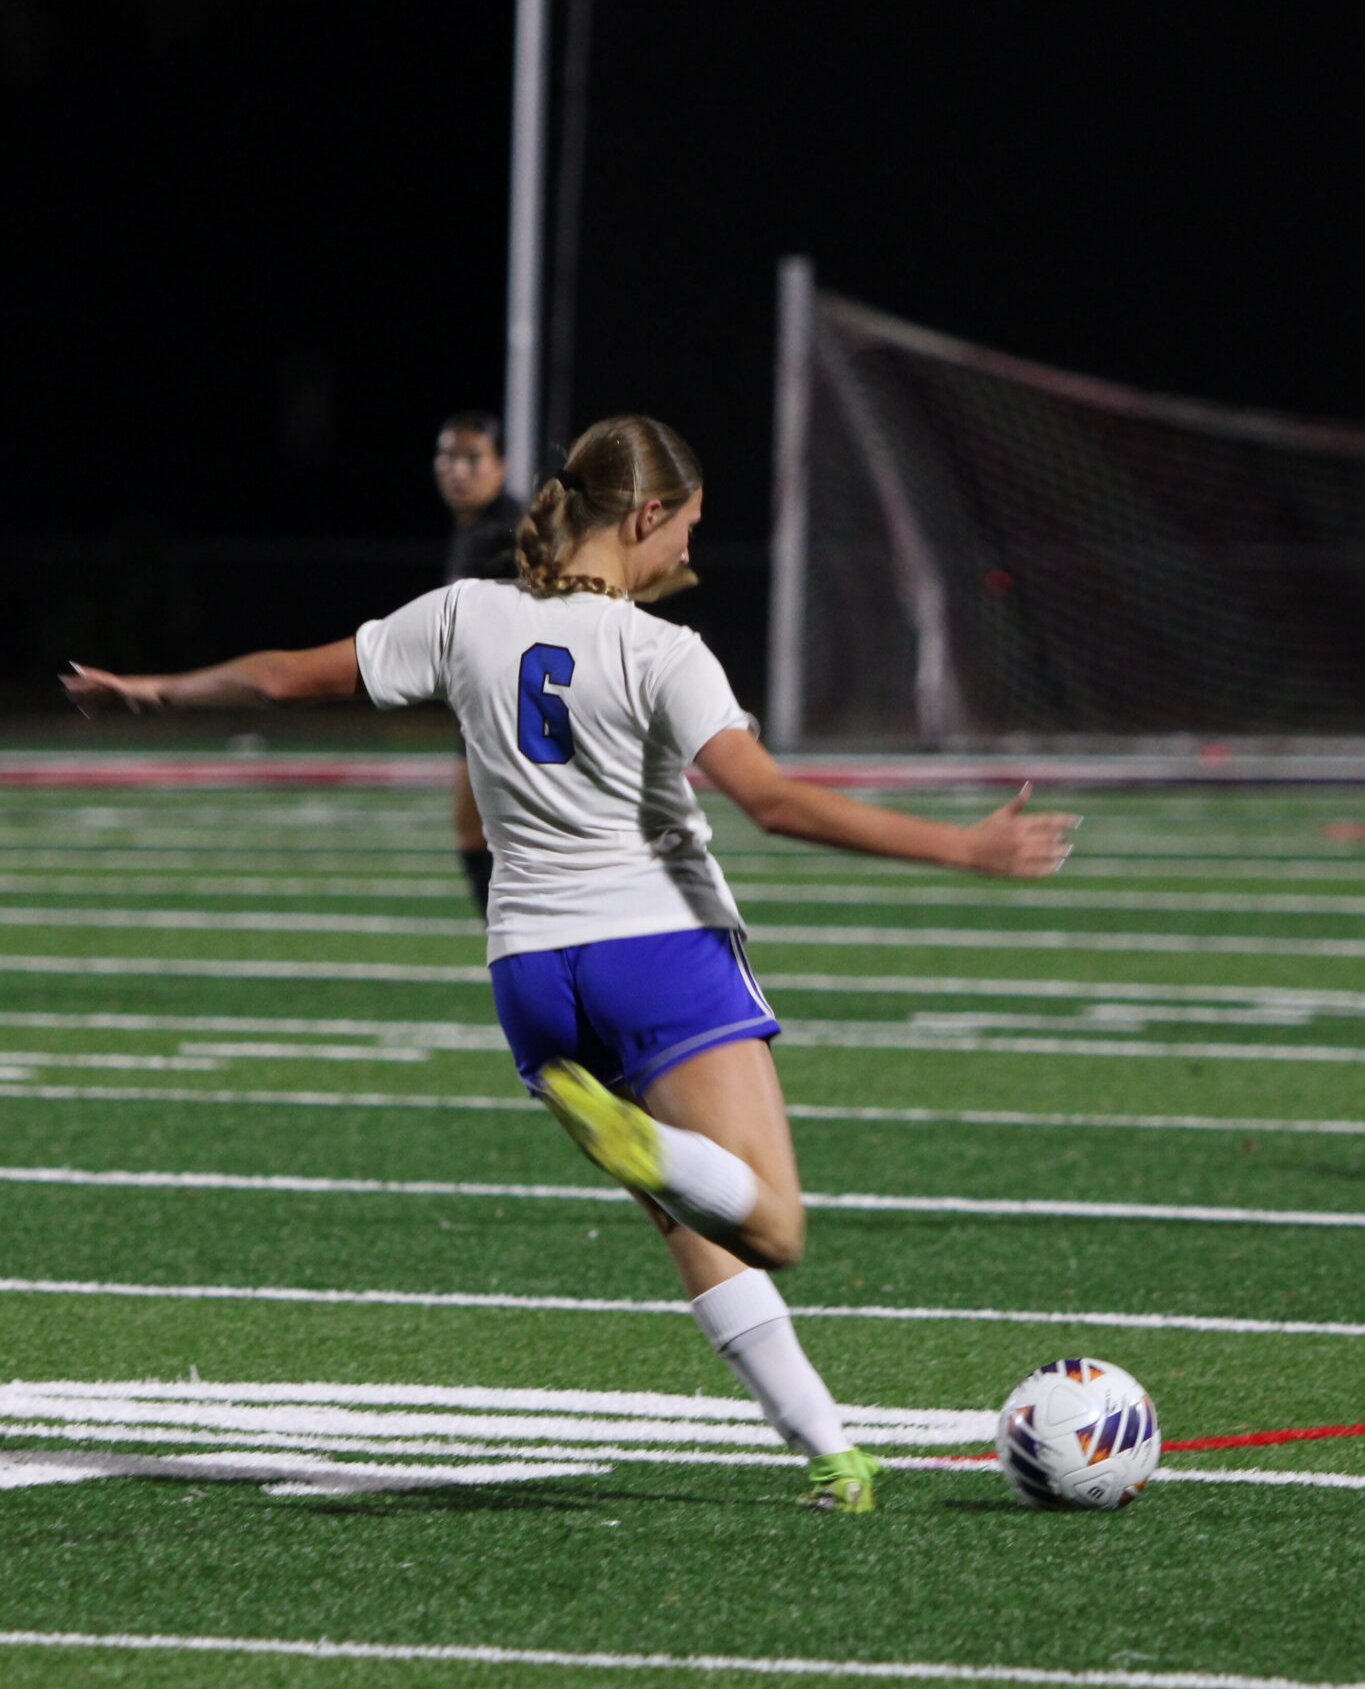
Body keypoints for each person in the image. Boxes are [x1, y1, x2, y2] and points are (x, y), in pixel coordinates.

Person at [64, 414, 1078, 1515]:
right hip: (656, 950)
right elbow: (775, 803)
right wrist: (962, 846)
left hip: (532, 980)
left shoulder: (465, 615)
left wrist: (153, 690)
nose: (694, 546)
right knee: (770, 1222)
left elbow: (279, 681)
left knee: (690, 1217)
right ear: (645, 515)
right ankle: (664, 1168)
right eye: (688, 524)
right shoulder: (662, 653)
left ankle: (834, 1457)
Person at [432, 411, 523, 919]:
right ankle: (511, 945)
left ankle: (525, 947)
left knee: (504, 837)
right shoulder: (477, 528)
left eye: (472, 458)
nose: (457, 470)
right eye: (448, 456)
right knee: (472, 830)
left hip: (514, 703)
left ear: (500, 466)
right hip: (486, 703)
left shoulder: (508, 530)